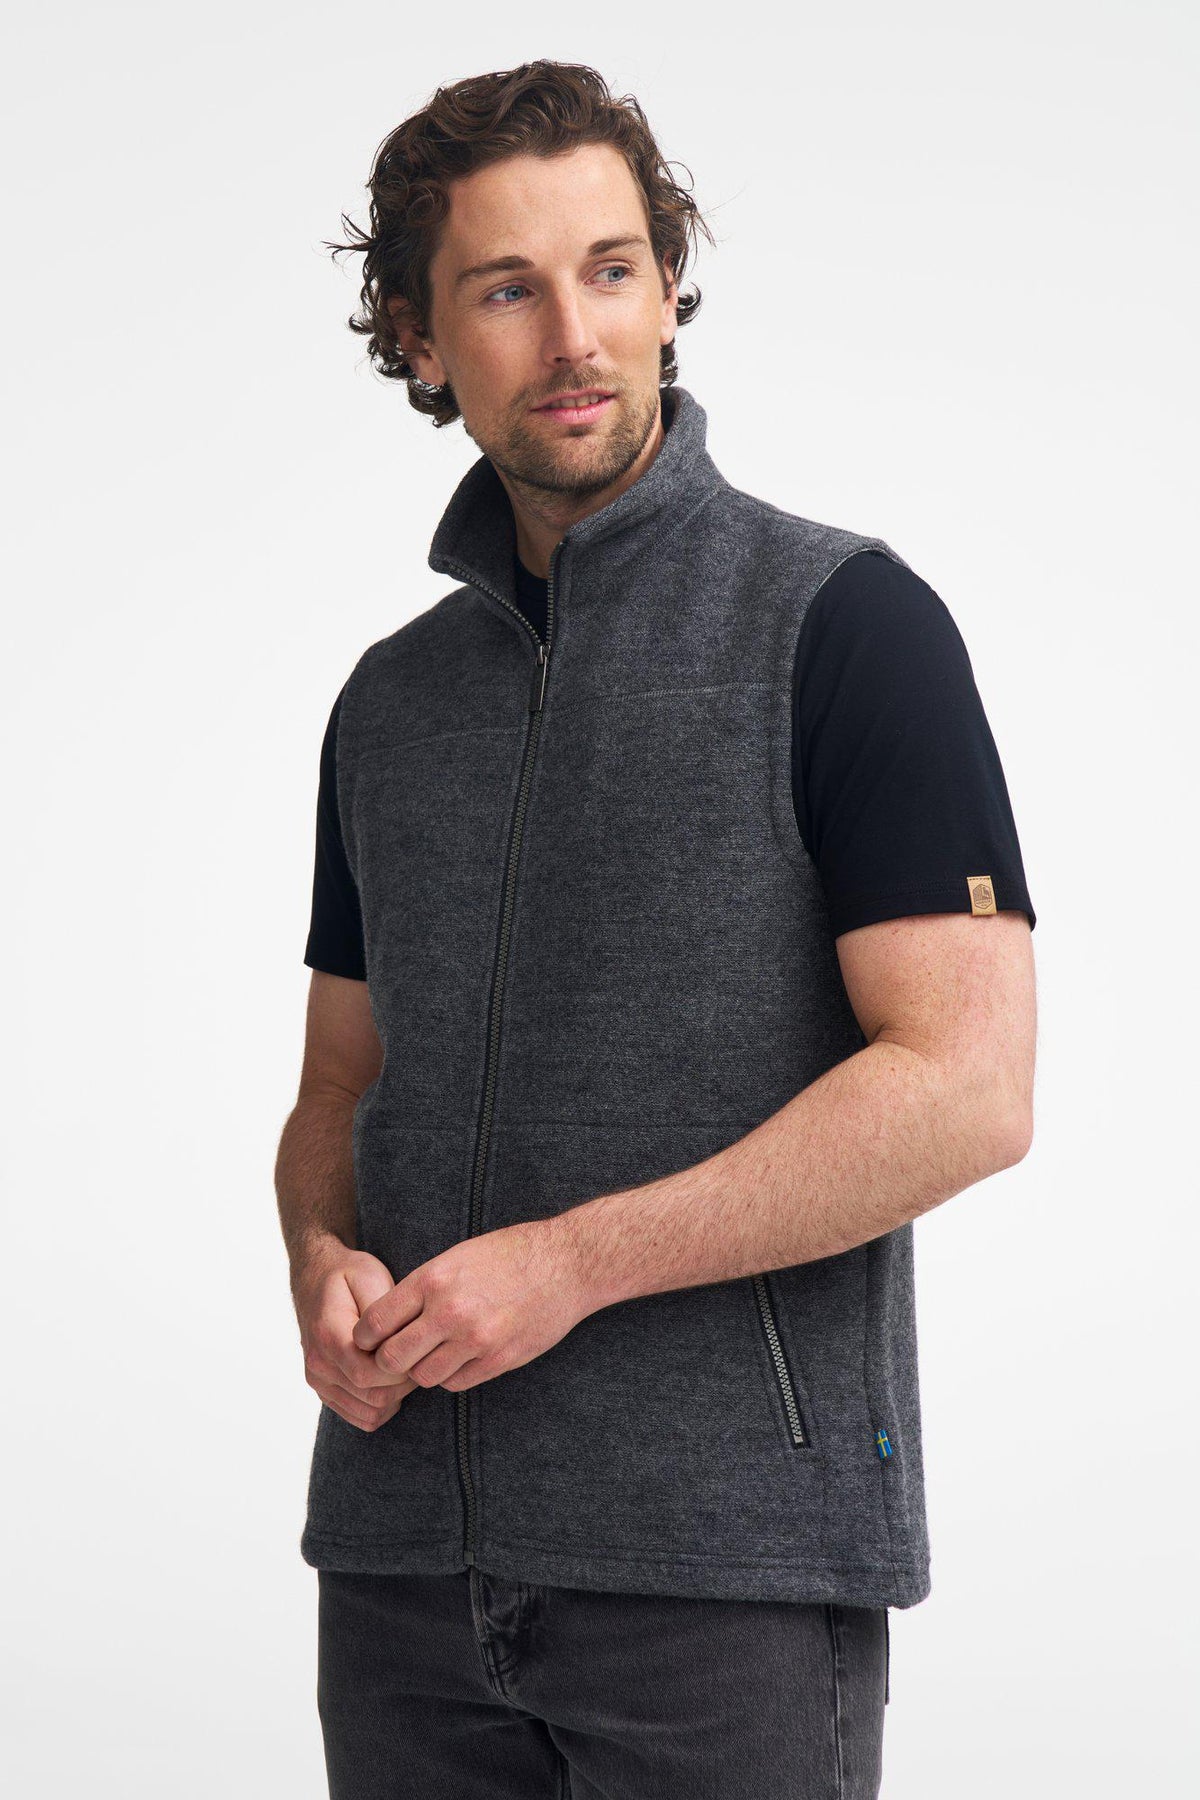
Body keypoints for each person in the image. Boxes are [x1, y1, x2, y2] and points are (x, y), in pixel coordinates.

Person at [274, 59, 1038, 1800]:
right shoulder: (390, 706)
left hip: (720, 1575)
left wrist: (571, 1263)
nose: (576, 338)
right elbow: (341, 1090)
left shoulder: (847, 626)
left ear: (670, 287)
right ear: (419, 338)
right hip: (398, 1573)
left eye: (612, 270)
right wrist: (319, 1258)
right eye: (506, 290)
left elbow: (969, 1088)